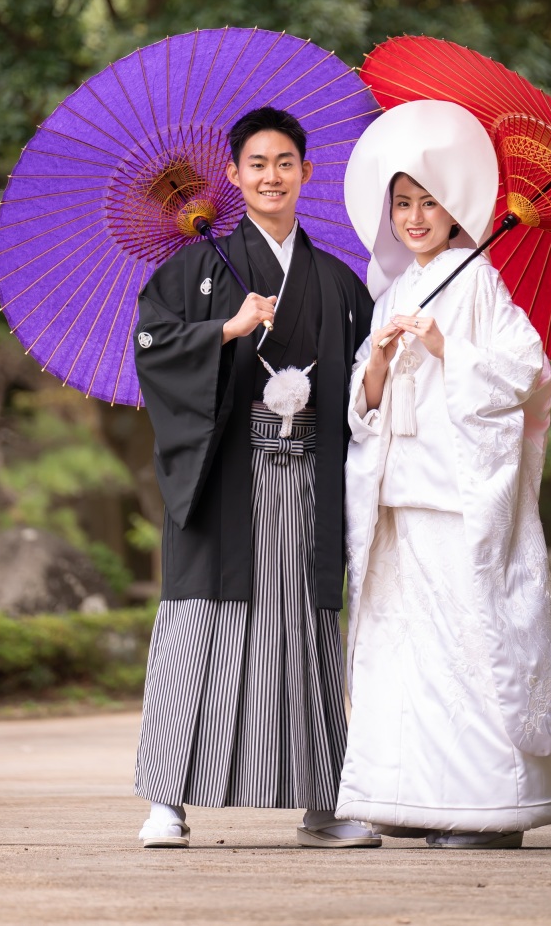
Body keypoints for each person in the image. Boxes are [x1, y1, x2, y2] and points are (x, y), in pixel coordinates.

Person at [133, 105, 379, 849]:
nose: (271, 176)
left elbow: (366, 382)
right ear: (234, 175)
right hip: (224, 474)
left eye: (285, 163)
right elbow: (153, 347)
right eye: (257, 164)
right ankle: (167, 802)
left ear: (306, 173)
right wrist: (225, 331)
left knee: (305, 628)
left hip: (307, 477)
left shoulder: (338, 282)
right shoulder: (192, 270)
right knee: (199, 623)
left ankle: (323, 803)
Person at [335, 100, 551, 849]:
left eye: (428, 201)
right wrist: (372, 367)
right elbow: (364, 411)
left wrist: (445, 348)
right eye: (400, 203)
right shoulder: (394, 290)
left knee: (470, 645)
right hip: (399, 498)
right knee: (405, 653)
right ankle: (409, 793)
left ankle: (487, 809)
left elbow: (526, 372)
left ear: (453, 205)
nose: (413, 217)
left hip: (457, 497)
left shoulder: (480, 281)